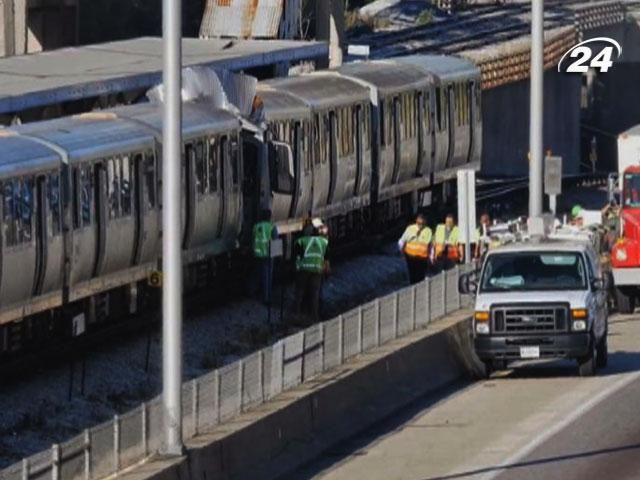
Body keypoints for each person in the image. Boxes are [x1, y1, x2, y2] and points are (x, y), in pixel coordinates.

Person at [294, 221, 329, 326]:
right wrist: (326, 271)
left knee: (299, 293)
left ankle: (296, 314)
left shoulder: (301, 241)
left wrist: (297, 269)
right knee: (315, 294)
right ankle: (314, 317)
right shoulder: (323, 242)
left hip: (304, 270)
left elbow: (298, 258)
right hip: (317, 271)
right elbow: (326, 259)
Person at [252, 209, 278, 304]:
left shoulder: (256, 227)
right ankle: (266, 298)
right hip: (268, 255)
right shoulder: (272, 227)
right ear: (269, 217)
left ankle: (255, 293)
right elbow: (276, 242)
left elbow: (253, 239)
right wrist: (275, 256)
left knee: (258, 274)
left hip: (258, 254)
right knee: (267, 277)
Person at [398, 214, 433, 284]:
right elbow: (402, 240)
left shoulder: (428, 231)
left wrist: (431, 256)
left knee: (420, 276)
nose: (420, 225)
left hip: (422, 258)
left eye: (422, 224)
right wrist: (400, 250)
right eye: (419, 223)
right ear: (416, 222)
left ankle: (419, 289)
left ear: (425, 223)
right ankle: (413, 288)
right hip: (410, 257)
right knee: (412, 275)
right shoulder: (410, 229)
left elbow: (430, 245)